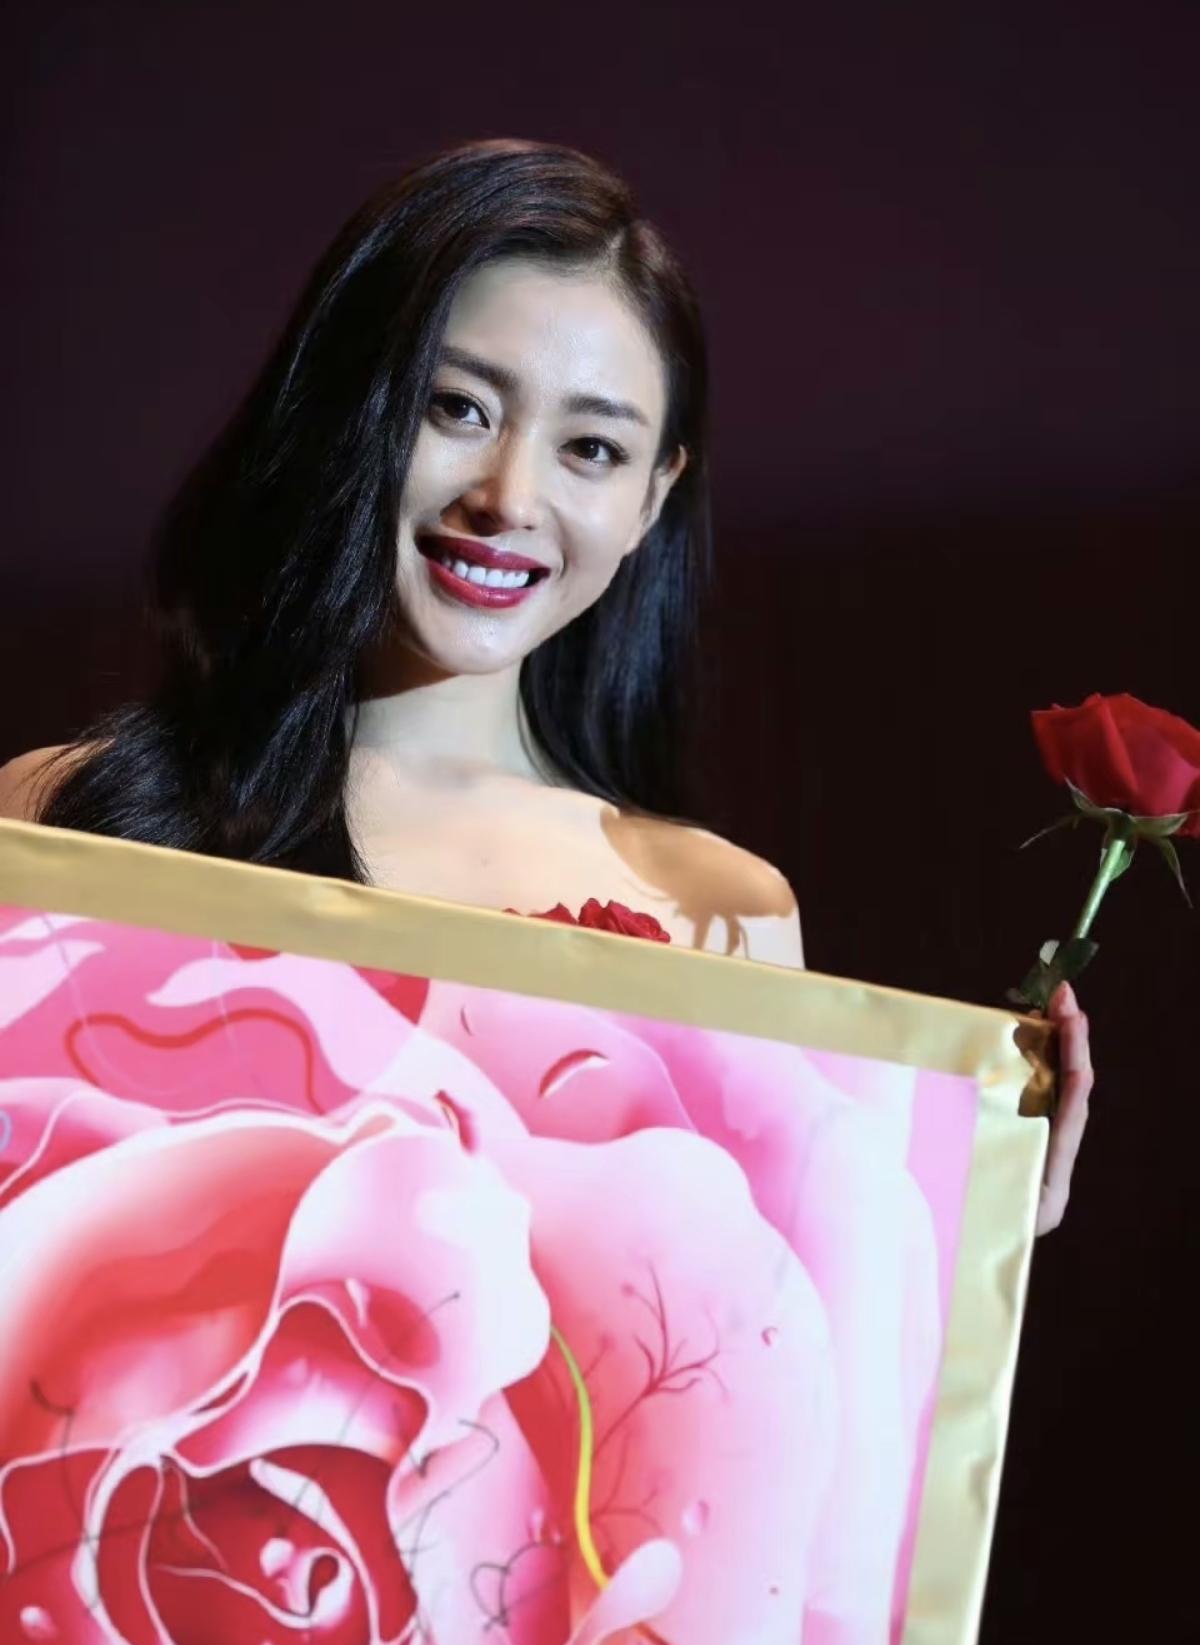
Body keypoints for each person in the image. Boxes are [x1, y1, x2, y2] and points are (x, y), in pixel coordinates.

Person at [0, 136, 1091, 1233]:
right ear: (347, 405)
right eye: (458, 407)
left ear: (653, 499)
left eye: (592, 449)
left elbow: (746, 1317)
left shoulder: (725, 913)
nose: (509, 497)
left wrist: (982, 1233)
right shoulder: (65, 816)